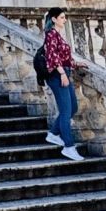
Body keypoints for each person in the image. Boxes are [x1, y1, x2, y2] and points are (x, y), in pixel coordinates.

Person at [39, 8, 85, 161]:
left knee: (73, 107)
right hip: (57, 76)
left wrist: (77, 64)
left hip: (64, 72)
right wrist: (62, 74)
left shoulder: (58, 35)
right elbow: (52, 56)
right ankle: (69, 147)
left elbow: (64, 57)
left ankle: (53, 134)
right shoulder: (51, 34)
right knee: (66, 111)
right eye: (62, 17)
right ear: (54, 19)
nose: (65, 20)